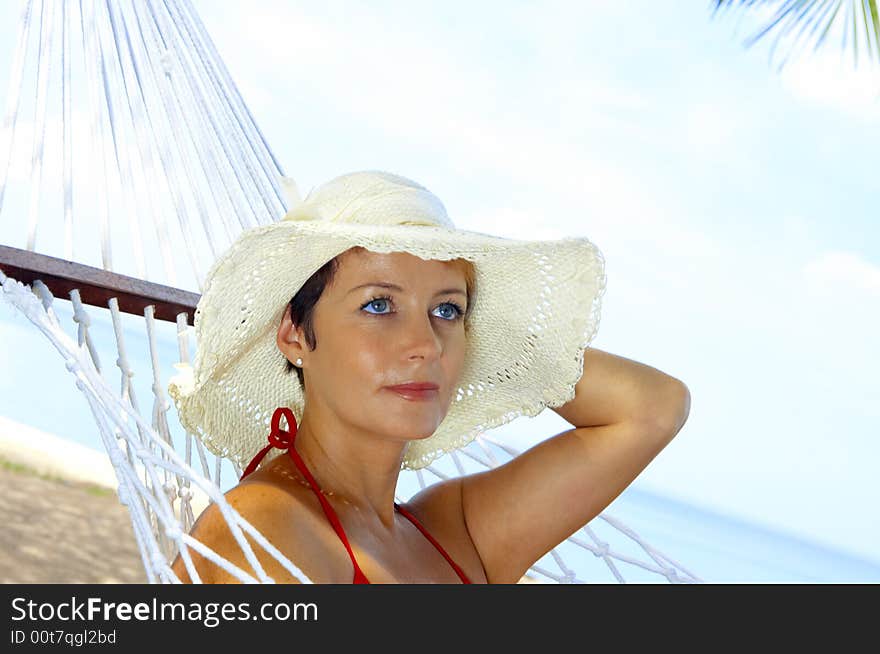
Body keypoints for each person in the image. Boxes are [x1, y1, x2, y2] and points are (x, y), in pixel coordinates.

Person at [167, 170, 690, 584]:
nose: (424, 345)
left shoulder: (454, 531)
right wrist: (445, 317)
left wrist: (481, 336)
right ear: (294, 334)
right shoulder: (264, 524)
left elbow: (652, 408)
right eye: (378, 304)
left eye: (447, 312)